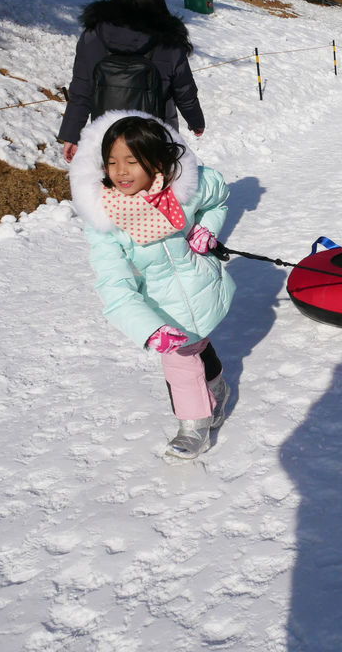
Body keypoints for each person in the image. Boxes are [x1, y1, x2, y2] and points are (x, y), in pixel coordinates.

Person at [69, 111, 236, 459]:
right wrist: (149, 328)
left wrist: (207, 229)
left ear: (157, 162)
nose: (120, 171)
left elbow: (218, 197)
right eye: (112, 162)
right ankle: (201, 414)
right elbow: (114, 286)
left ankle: (207, 407)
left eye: (132, 161)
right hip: (165, 310)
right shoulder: (107, 222)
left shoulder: (183, 191)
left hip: (202, 287)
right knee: (182, 359)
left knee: (196, 344)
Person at [58, 0, 205, 163]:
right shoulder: (169, 41)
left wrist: (71, 134)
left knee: (113, 187)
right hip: (154, 139)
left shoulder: (94, 36)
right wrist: (195, 121)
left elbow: (81, 89)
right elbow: (184, 89)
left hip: (107, 138)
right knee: (153, 191)